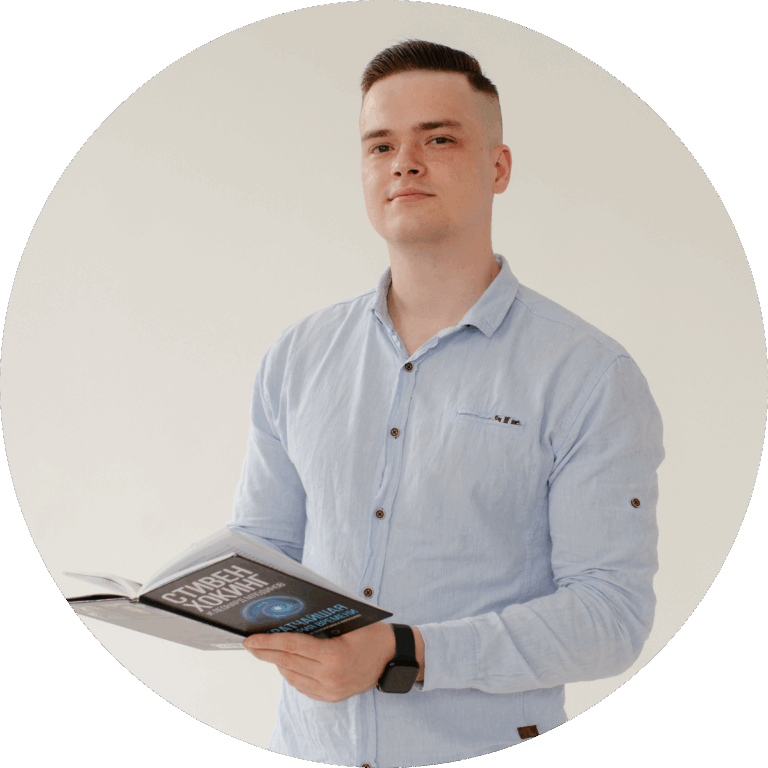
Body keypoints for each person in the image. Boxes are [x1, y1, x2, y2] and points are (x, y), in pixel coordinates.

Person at [229, 39, 664, 767]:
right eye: (380, 145)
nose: (404, 162)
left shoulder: (588, 374)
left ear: (499, 167)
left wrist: (404, 651)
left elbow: (609, 616)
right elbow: (265, 550)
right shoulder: (297, 356)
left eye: (438, 138)